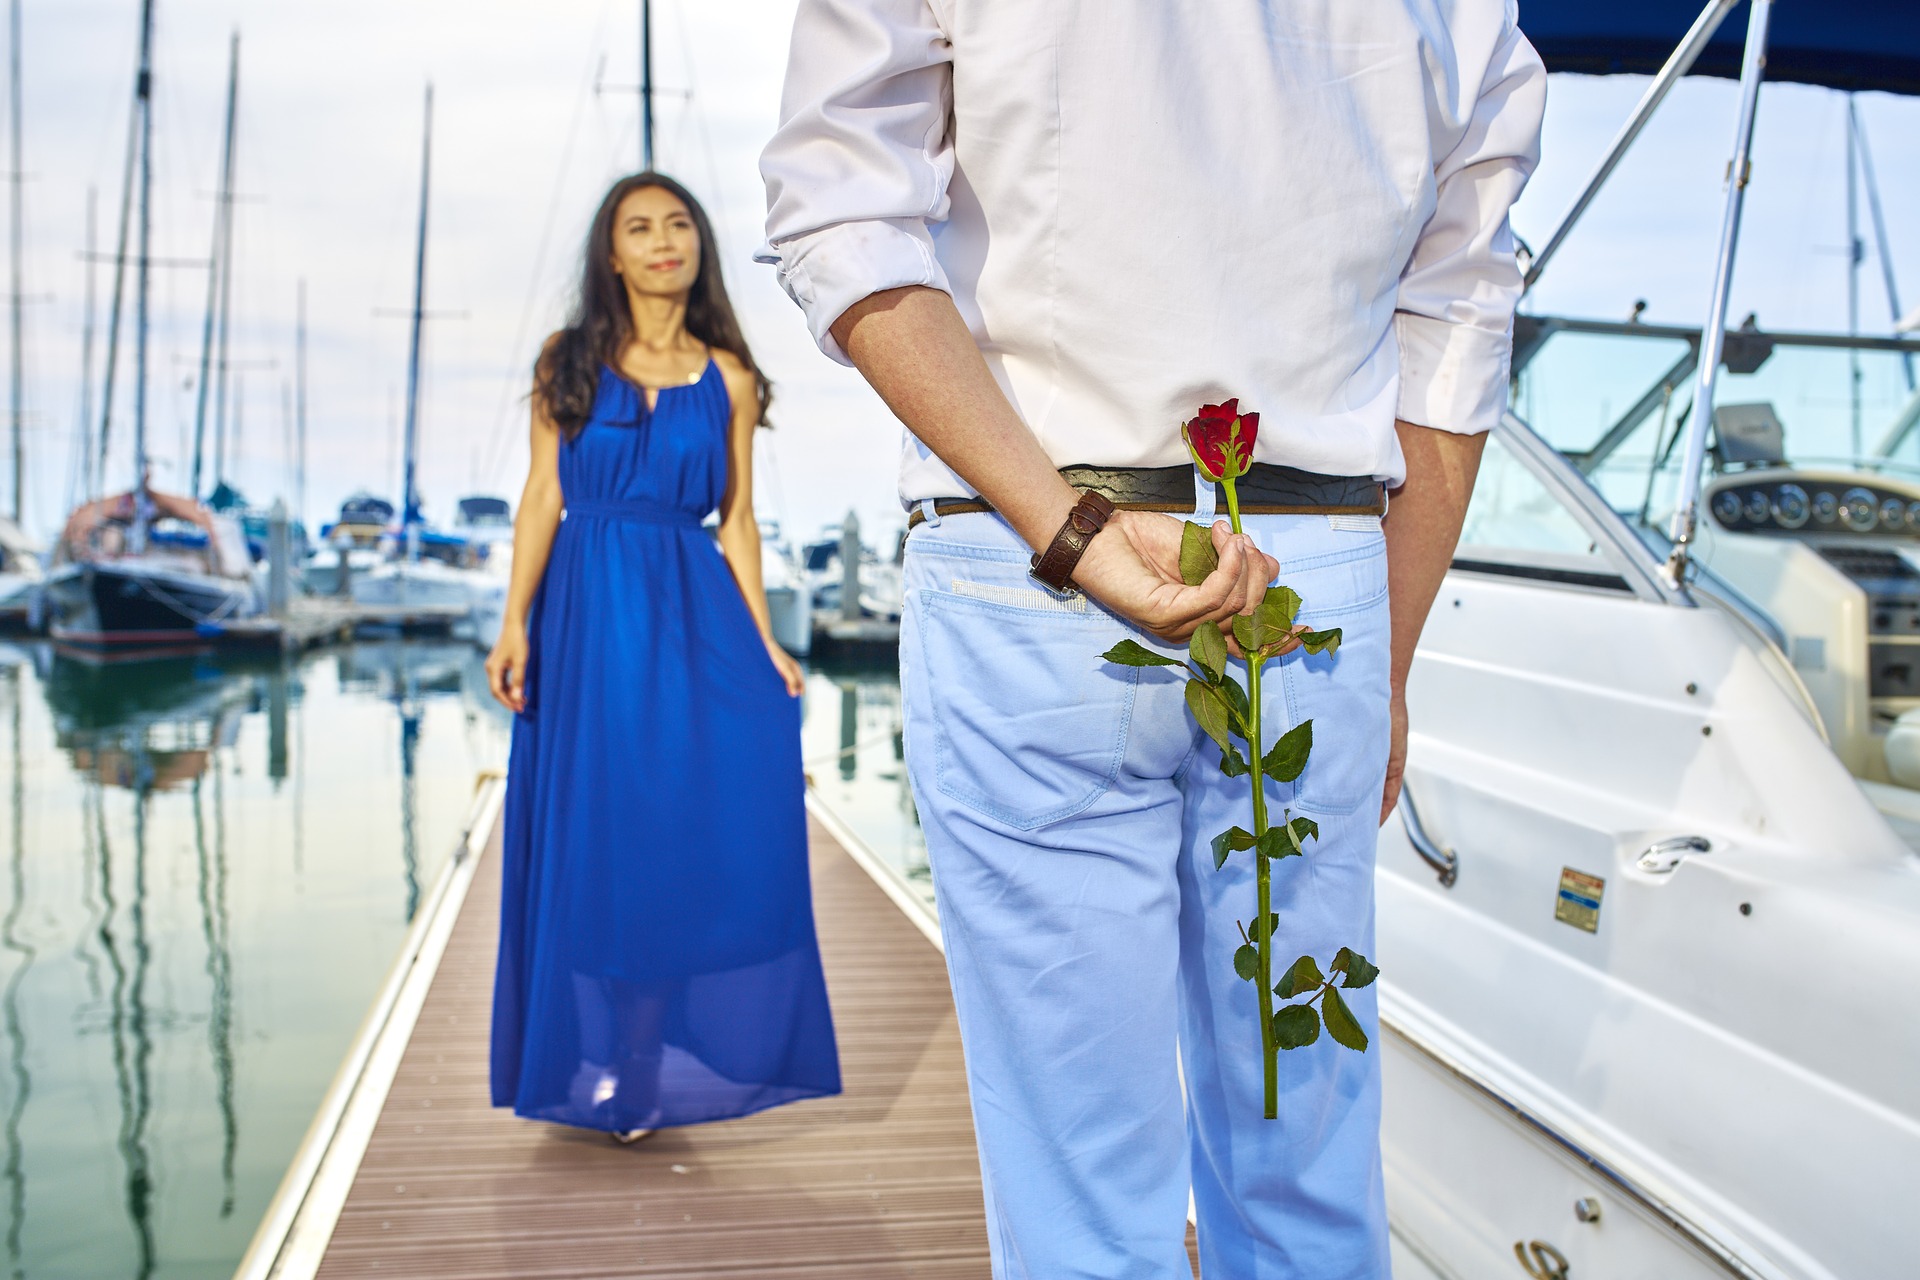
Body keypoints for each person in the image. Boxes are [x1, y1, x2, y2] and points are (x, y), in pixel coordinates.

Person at [759, 2, 1545, 1274]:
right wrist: (1388, 652)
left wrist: (1067, 530)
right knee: (1306, 1159)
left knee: (1081, 1198)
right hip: (1315, 582)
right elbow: (1460, 309)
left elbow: (840, 214)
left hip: (1035, 557)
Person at [486, 172, 841, 1141]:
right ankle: (581, 1043)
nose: (662, 240)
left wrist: (763, 639)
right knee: (591, 837)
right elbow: (540, 499)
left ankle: (639, 1059)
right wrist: (514, 619)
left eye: (677, 222)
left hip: (690, 617)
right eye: (639, 227)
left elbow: (738, 521)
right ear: (612, 253)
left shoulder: (729, 377)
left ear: (699, 245)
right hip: (584, 621)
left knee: (671, 839)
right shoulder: (567, 360)